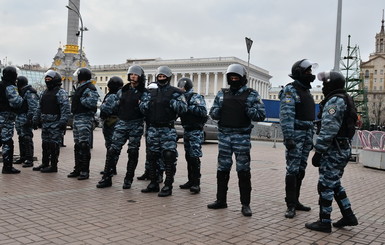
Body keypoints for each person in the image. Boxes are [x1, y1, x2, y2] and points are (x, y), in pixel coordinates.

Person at [207, 64, 266, 217]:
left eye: (236, 77)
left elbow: (260, 115)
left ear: (242, 78)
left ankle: (245, 204)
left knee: (243, 171)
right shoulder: (222, 93)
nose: (233, 79)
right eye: (231, 77)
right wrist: (217, 111)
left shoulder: (251, 94)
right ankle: (221, 200)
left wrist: (248, 109)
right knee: (222, 169)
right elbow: (213, 113)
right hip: (224, 136)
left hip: (242, 137)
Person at [305, 71, 358, 233]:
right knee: (334, 184)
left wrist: (318, 152)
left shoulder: (335, 101)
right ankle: (348, 215)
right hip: (341, 147)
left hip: (334, 149)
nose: (323, 87)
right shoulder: (344, 98)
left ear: (332, 85)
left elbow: (329, 129)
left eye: (325, 84)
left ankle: (324, 221)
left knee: (325, 185)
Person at [139, 66, 187, 197]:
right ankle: (153, 183)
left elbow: (183, 108)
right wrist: (147, 104)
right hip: (153, 128)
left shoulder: (175, 92)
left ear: (168, 78)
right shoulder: (150, 92)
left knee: (169, 157)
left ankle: (168, 185)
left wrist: (171, 102)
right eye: (159, 77)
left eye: (163, 77)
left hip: (167, 129)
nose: (161, 79)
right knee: (152, 156)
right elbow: (142, 107)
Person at [97, 65, 147, 189]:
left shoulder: (144, 93)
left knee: (133, 151)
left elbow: (147, 109)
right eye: (131, 74)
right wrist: (104, 107)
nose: (133, 76)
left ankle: (128, 179)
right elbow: (114, 106)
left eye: (136, 74)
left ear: (140, 77)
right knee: (113, 150)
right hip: (122, 123)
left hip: (136, 124)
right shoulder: (123, 90)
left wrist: (142, 105)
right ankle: (107, 178)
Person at [279, 59, 317, 218]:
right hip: (296, 135)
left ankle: (296, 200)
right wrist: (289, 138)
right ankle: (290, 205)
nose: (310, 74)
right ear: (299, 73)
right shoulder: (290, 90)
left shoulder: (306, 91)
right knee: (293, 170)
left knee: (301, 169)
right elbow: (286, 116)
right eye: (307, 71)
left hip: (307, 134)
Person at [32, 70, 70, 173]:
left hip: (55, 123)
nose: (47, 81)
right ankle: (45, 163)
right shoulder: (44, 92)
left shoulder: (61, 92)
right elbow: (39, 107)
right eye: (46, 79)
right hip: (45, 123)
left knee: (54, 144)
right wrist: (35, 119)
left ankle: (53, 166)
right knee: (45, 144)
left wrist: (63, 122)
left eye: (49, 79)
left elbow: (65, 108)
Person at [67, 68, 99, 180]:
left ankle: (85, 171)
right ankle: (78, 169)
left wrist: (81, 100)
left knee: (84, 144)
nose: (76, 78)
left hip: (85, 118)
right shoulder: (80, 87)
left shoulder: (90, 88)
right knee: (78, 144)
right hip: (77, 117)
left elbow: (92, 102)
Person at [177, 77, 207, 194]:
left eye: (183, 86)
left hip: (195, 130)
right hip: (187, 130)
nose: (181, 88)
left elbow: (203, 111)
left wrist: (187, 107)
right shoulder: (181, 97)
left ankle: (196, 183)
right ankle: (190, 180)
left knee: (194, 156)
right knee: (188, 156)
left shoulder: (196, 97)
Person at [98, 76, 124, 176]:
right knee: (111, 147)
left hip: (111, 123)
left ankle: (110, 169)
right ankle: (111, 167)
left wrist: (102, 106)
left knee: (111, 147)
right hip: (112, 122)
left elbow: (107, 109)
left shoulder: (113, 95)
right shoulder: (118, 94)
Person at [0, 66, 23, 174]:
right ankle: (7, 167)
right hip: (6, 118)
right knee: (7, 141)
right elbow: (16, 102)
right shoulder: (10, 87)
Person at [14, 76, 39, 168]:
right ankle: (23, 156)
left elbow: (33, 107)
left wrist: (30, 119)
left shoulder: (29, 92)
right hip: (20, 118)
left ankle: (29, 158)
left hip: (25, 118)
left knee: (27, 138)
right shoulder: (20, 92)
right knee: (21, 138)